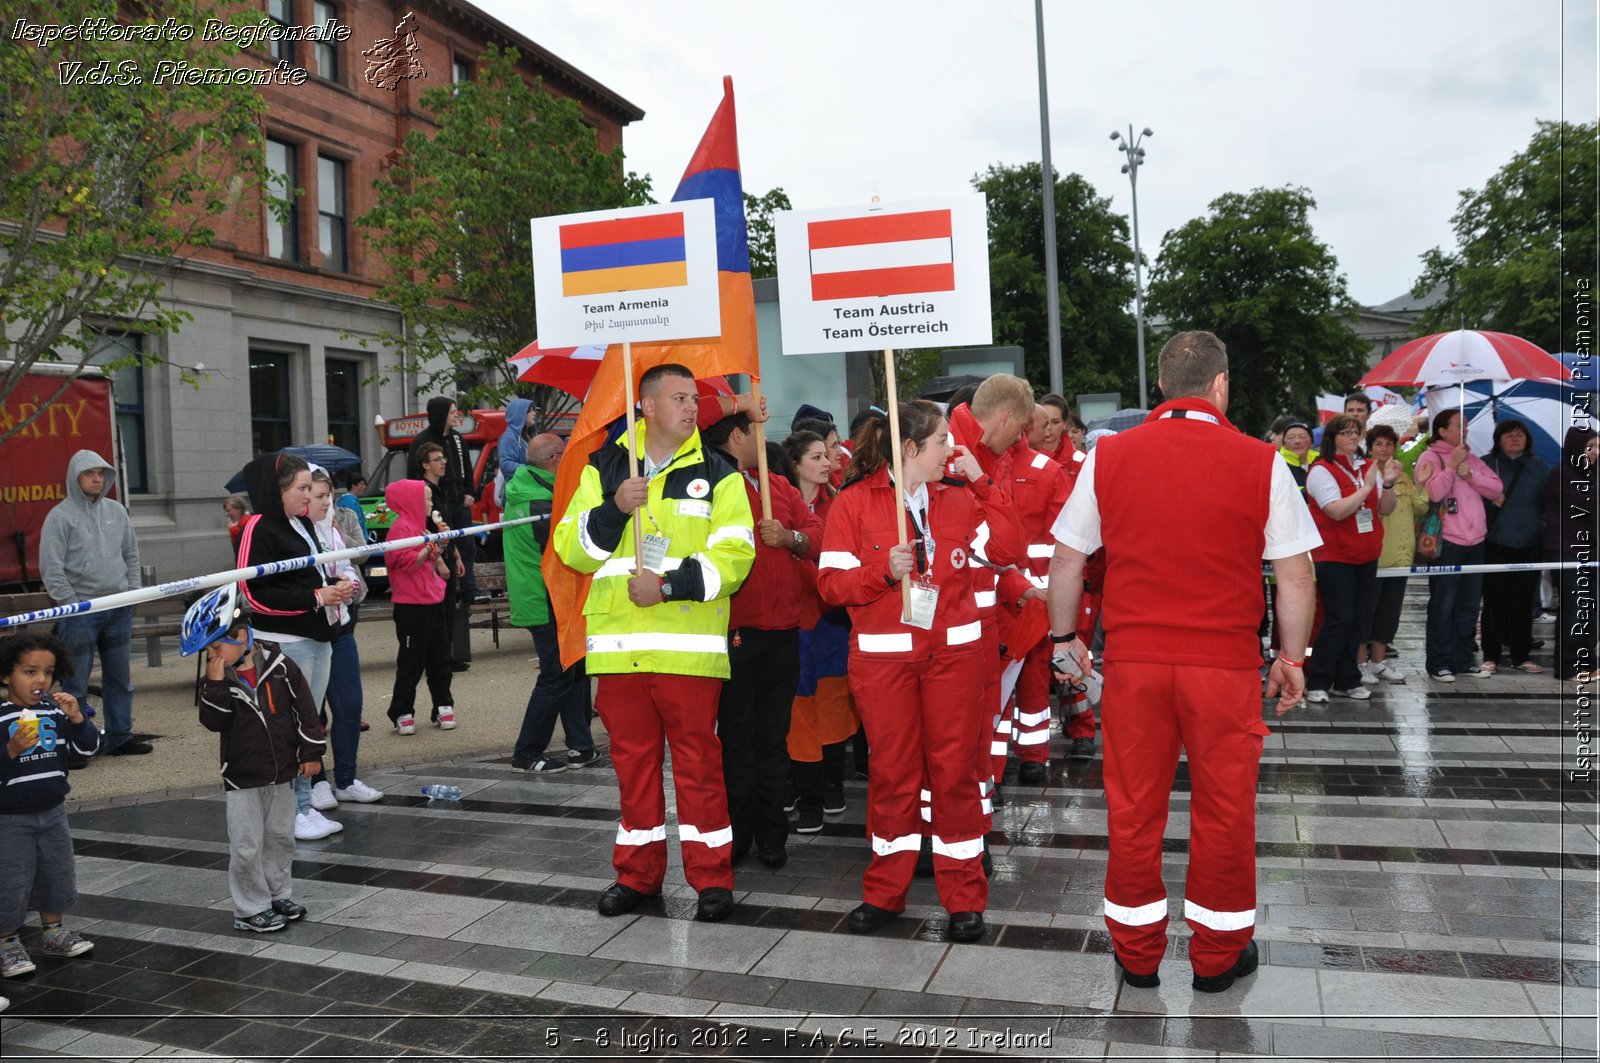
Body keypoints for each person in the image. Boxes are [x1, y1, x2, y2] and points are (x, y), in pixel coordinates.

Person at [1047, 330, 1319, 993]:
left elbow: (1067, 558)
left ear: (1163, 387)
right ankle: (1217, 957)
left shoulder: (1108, 457)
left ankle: (1138, 956)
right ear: (1220, 385)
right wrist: (1292, 656)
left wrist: (1062, 641)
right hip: (1222, 666)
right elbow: (1296, 574)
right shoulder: (1262, 462)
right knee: (1225, 811)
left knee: (1134, 809)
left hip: (1135, 664)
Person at [552, 363, 756, 923]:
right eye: (679, 398)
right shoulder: (604, 468)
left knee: (699, 769)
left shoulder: (722, 474)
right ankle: (637, 877)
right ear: (645, 405)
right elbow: (573, 551)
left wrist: (667, 584)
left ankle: (712, 879)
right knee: (633, 769)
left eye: (694, 398)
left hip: (689, 652)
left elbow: (735, 558)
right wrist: (614, 508)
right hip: (619, 652)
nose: (692, 408)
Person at [818, 401, 993, 942]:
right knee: (892, 775)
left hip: (952, 659)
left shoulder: (960, 498)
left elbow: (1006, 546)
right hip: (884, 662)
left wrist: (982, 480)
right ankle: (884, 893)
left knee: (955, 773)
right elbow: (829, 586)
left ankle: (965, 898)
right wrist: (880, 573)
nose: (952, 450)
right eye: (943, 441)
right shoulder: (852, 504)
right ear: (911, 449)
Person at [704, 409, 822, 869]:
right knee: (736, 739)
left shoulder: (776, 485)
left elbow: (817, 533)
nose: (764, 438)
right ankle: (737, 833)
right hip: (734, 631)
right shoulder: (711, 486)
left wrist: (790, 537)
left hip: (783, 632)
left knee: (774, 738)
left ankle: (773, 835)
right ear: (737, 435)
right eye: (755, 429)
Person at [183, 584, 321, 933]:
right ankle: (249, 908)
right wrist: (214, 684)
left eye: (216, 646)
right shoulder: (216, 682)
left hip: (282, 772)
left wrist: (311, 751)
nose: (212, 655)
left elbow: (306, 711)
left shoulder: (281, 667)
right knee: (246, 846)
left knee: (280, 838)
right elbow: (213, 721)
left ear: (241, 635)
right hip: (242, 777)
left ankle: (277, 894)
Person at [237, 451, 351, 841]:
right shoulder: (258, 527)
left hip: (318, 638)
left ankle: (303, 805)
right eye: (302, 488)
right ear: (278, 489)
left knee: (310, 725)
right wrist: (317, 597)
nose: (309, 495)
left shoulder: (300, 524)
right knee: (286, 729)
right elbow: (253, 593)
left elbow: (312, 575)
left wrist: (332, 590)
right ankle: (290, 812)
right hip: (286, 645)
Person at [0, 632, 99, 977]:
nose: (41, 679)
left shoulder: (55, 711)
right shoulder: (1, 718)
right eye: (29, 671)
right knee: (10, 881)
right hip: (9, 819)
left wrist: (77, 719)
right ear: (5, 675)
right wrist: (10, 749)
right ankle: (6, 942)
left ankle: (53, 932)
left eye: (47, 671)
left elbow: (86, 751)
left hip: (53, 812)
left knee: (56, 874)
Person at [38, 450, 146, 756]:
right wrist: (71, 604)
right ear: (76, 478)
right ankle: (74, 745)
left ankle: (120, 737)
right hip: (81, 613)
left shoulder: (117, 511)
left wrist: (133, 594)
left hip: (118, 608)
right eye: (90, 473)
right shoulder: (60, 517)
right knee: (75, 684)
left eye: (101, 473)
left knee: (120, 680)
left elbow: (131, 555)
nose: (97, 479)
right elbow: (51, 567)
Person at [507, 429, 596, 773]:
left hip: (546, 597)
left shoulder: (529, 489)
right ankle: (526, 752)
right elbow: (572, 546)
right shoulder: (542, 500)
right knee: (557, 675)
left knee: (573, 668)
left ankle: (581, 746)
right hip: (545, 599)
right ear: (556, 460)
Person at [782, 429, 857, 831]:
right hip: (792, 622)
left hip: (829, 619)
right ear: (795, 465)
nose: (827, 462)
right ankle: (806, 788)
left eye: (824, 455)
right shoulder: (778, 506)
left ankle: (831, 783)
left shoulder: (839, 505)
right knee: (798, 708)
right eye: (815, 457)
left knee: (831, 704)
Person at [1302, 414, 1396, 702]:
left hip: (1366, 554)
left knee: (1359, 621)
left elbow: (1386, 509)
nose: (1353, 437)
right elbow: (1336, 511)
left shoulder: (1367, 466)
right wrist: (1366, 488)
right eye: (1346, 433)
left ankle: (1348, 678)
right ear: (1333, 439)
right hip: (1335, 555)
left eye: (1356, 432)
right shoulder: (1322, 469)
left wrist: (1388, 484)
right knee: (1339, 619)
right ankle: (1318, 679)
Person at [305, 469, 382, 807]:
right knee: (312, 712)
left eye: (328, 497)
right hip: (307, 633)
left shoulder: (333, 527)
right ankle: (316, 780)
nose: (326, 503)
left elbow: (349, 564)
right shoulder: (292, 530)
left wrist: (347, 583)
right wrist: (324, 589)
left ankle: (347, 779)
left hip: (341, 627)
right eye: (319, 497)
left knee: (350, 705)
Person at [1414, 408, 1504, 681]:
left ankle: (1463, 659)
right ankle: (1439, 662)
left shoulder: (1473, 459)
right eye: (1458, 425)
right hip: (1448, 542)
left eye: (1465, 425)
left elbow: (1496, 489)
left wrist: (1470, 475)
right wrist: (1451, 467)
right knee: (1443, 604)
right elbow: (1433, 493)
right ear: (1441, 430)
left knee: (1468, 605)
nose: (1464, 430)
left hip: (1475, 541)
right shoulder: (1429, 457)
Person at [383, 468, 458, 735]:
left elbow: (429, 557)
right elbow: (408, 562)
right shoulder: (399, 529)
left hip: (432, 598)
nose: (430, 504)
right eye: (426, 500)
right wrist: (430, 545)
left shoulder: (421, 526)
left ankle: (443, 705)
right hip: (411, 605)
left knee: (440, 656)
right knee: (411, 660)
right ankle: (402, 711)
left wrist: (440, 544)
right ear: (412, 501)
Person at [406, 397, 475, 669]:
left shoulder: (458, 440)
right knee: (437, 596)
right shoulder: (421, 443)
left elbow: (466, 470)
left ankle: (445, 654)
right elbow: (413, 486)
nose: (456, 414)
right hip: (435, 515)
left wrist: (470, 492)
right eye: (451, 411)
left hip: (455, 508)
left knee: (463, 555)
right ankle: (436, 657)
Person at [1480, 419, 1551, 674]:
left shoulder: (1539, 466)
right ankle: (1491, 656)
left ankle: (1521, 655)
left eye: (1519, 435)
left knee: (1522, 603)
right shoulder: (1486, 464)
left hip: (1530, 544)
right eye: (1508, 435)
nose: (1514, 439)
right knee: (1494, 602)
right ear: (1498, 439)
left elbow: (1548, 503)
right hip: (1496, 543)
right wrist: (1491, 504)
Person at [1364, 424, 1427, 682]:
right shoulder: (1366, 474)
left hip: (1402, 555)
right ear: (1370, 448)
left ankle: (1379, 661)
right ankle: (1360, 662)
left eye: (1389, 444)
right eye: (1378, 444)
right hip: (1376, 553)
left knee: (1390, 612)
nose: (1384, 449)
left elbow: (1420, 508)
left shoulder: (1403, 476)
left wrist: (1421, 483)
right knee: (1367, 610)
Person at [1544, 428, 1598, 682]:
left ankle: (1588, 661)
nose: (1595, 452)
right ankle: (1568, 665)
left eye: (1598, 446)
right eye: (1590, 446)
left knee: (1590, 609)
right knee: (1574, 608)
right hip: (1567, 550)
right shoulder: (1561, 475)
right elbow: (1584, 504)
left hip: (1592, 551)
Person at [1278, 422, 1318, 492]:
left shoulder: (1321, 460)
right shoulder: (1277, 462)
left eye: (1302, 437)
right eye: (1291, 438)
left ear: (1311, 443)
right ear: (1284, 444)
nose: (1297, 441)